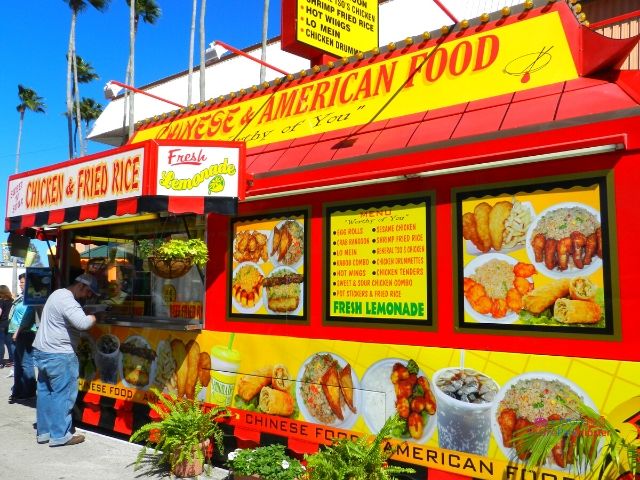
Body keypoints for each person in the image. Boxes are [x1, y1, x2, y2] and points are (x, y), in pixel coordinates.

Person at [32, 273, 99, 447]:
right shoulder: (68, 299)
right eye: (88, 292)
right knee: (63, 394)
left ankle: (44, 433)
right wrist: (93, 317)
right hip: (60, 354)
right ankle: (60, 435)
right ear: (81, 286)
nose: (88, 296)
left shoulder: (56, 294)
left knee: (45, 393)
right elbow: (83, 323)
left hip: (42, 352)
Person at [7, 273, 37, 399]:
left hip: (24, 334)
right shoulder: (22, 297)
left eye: (23, 282)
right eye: (20, 282)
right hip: (16, 333)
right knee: (18, 364)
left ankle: (29, 391)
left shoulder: (31, 298)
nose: (20, 285)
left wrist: (17, 332)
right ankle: (18, 390)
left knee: (26, 363)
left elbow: (28, 316)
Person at [0, 285, 14, 369]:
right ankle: (12, 360)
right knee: (9, 343)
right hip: (10, 324)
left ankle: (1, 362)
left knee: (0, 344)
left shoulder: (1, 301)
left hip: (1, 325)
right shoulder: (12, 301)